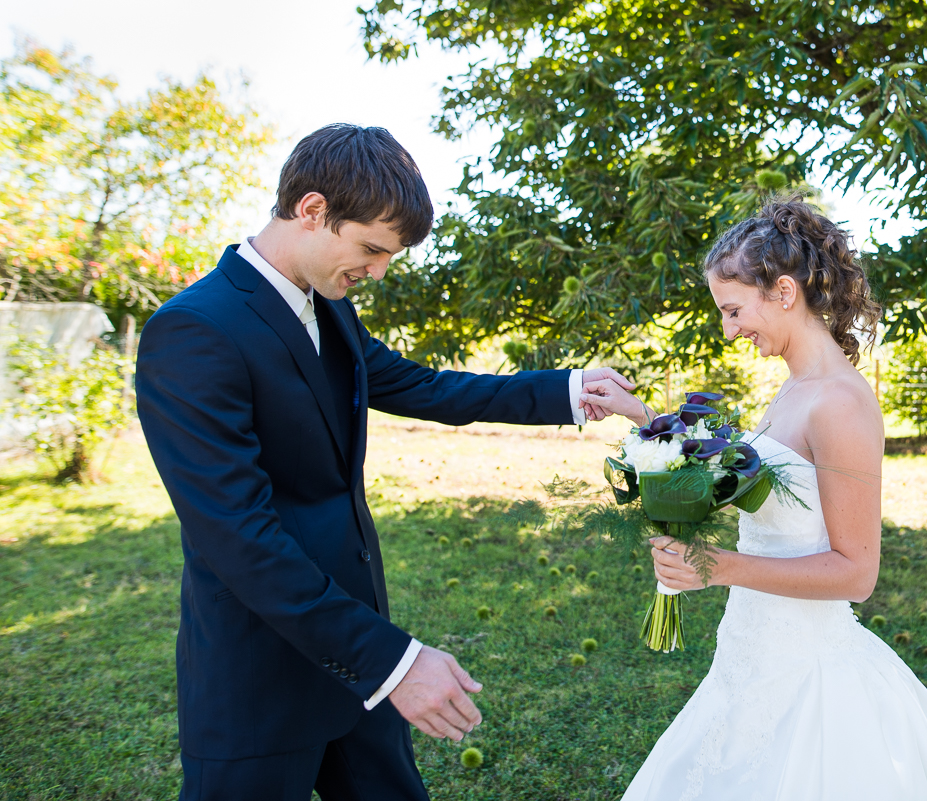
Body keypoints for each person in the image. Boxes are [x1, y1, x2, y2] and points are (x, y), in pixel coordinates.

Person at [135, 123, 633, 801]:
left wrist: (567, 390)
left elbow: (420, 385)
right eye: (371, 248)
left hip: (357, 669)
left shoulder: (328, 307)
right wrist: (394, 664)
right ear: (312, 210)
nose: (378, 270)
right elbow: (241, 538)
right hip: (260, 678)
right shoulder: (194, 330)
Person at [580, 197, 927, 800]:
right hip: (751, 652)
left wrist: (719, 568)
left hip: (808, 671)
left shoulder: (841, 403)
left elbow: (857, 573)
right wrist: (645, 418)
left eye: (732, 310)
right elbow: (748, 474)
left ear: (782, 292)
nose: (728, 329)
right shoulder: (797, 388)